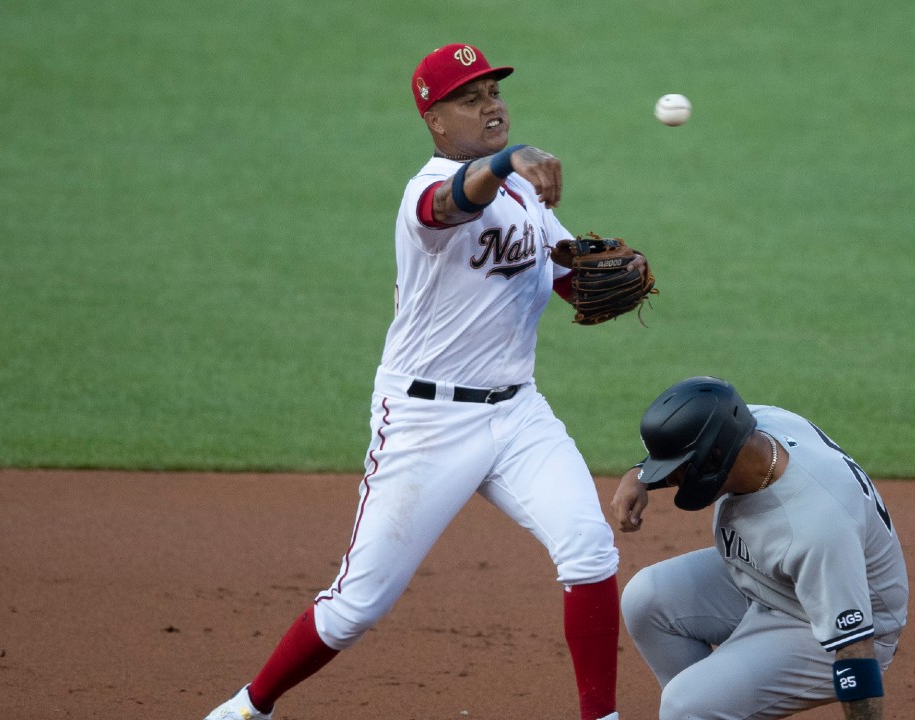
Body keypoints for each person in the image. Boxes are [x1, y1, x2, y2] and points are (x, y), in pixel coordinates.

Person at [203, 43, 624, 720]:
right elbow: (451, 203)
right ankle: (248, 708)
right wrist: (505, 160)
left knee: (589, 550)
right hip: (426, 423)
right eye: (469, 97)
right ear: (434, 119)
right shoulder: (425, 194)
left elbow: (567, 273)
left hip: (519, 414)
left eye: (493, 91)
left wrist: (599, 279)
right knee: (356, 607)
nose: (490, 106)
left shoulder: (522, 193)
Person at [610, 376, 909, 720]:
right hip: (771, 578)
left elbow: (854, 648)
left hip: (825, 625)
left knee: (685, 705)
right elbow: (696, 441)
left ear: (715, 457)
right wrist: (638, 475)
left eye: (677, 471)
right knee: (646, 599)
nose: (672, 479)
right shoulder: (756, 427)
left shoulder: (816, 526)